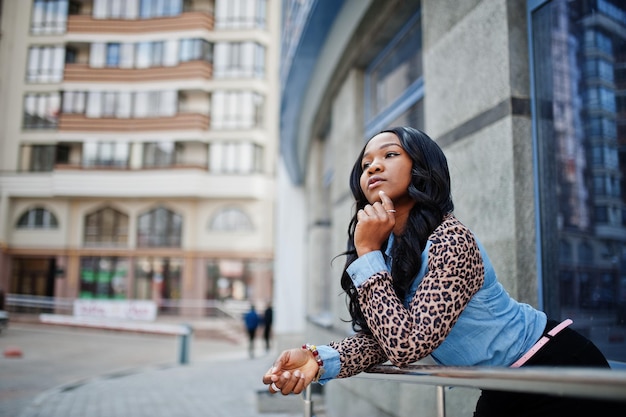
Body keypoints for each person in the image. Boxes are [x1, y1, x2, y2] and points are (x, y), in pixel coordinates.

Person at [262, 126, 623, 416]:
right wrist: (317, 359)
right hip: (504, 382)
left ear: (422, 167)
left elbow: (407, 346)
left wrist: (367, 250)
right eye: (366, 162)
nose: (372, 166)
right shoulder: (389, 248)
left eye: (389, 154)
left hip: (553, 365)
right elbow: (385, 337)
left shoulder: (450, 239)